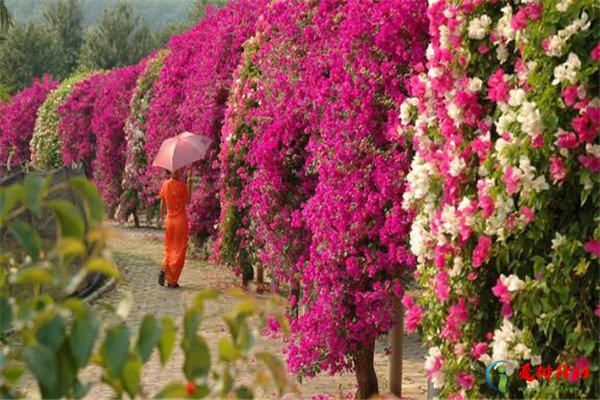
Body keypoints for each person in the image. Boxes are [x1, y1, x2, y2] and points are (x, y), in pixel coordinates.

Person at [157, 169, 193, 288]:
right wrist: (190, 185)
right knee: (179, 250)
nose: (182, 172)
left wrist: (162, 218)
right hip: (180, 221)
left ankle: (165, 268)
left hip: (170, 220)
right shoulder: (182, 186)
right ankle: (172, 280)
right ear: (176, 172)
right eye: (180, 170)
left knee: (169, 248)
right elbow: (188, 201)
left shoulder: (165, 184)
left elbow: (162, 206)